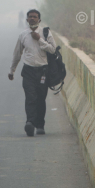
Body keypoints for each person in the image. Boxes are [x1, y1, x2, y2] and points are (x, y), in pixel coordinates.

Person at [8, 9, 56, 137]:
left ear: (39, 20)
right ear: (27, 19)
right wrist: (12, 70)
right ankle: (30, 123)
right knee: (30, 98)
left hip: (43, 71)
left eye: (35, 17)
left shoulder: (45, 33)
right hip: (28, 71)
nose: (32, 19)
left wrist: (39, 39)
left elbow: (52, 50)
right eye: (30, 17)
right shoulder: (23, 35)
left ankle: (40, 125)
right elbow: (17, 54)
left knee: (41, 99)